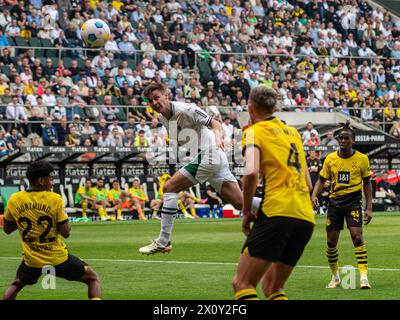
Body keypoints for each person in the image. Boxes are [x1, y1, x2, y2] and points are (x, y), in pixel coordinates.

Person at [139, 82, 253, 255]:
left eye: (156, 98)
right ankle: (278, 210)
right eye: (150, 100)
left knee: (169, 187)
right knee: (240, 203)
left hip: (210, 154)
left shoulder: (187, 109)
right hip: (209, 158)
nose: (154, 103)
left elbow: (215, 124)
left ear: (166, 96)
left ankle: (163, 241)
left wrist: (219, 138)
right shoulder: (162, 118)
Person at [232, 85, 315, 300]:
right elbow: (307, 182)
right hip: (305, 217)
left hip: (277, 211)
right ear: (275, 107)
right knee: (273, 288)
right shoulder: (293, 133)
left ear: (250, 108)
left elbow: (250, 172)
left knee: (242, 283)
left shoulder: (253, 132)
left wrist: (246, 210)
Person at [2, 160, 102, 300]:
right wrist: (63, 216)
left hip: (32, 260)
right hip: (57, 258)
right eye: (50, 178)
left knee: (16, 284)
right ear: (41, 180)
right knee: (93, 278)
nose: (52, 182)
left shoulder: (14, 199)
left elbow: (7, 229)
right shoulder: (54, 199)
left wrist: (24, 218)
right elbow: (66, 232)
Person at [311, 121, 373, 290]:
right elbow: (321, 180)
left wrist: (368, 207)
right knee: (331, 242)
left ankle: (364, 278)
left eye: (347, 138)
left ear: (353, 141)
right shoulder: (330, 159)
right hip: (335, 204)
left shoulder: (362, 159)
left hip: (353, 203)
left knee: (357, 237)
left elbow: (367, 183)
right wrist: (314, 195)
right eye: (341, 138)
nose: (343, 141)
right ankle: (335, 277)